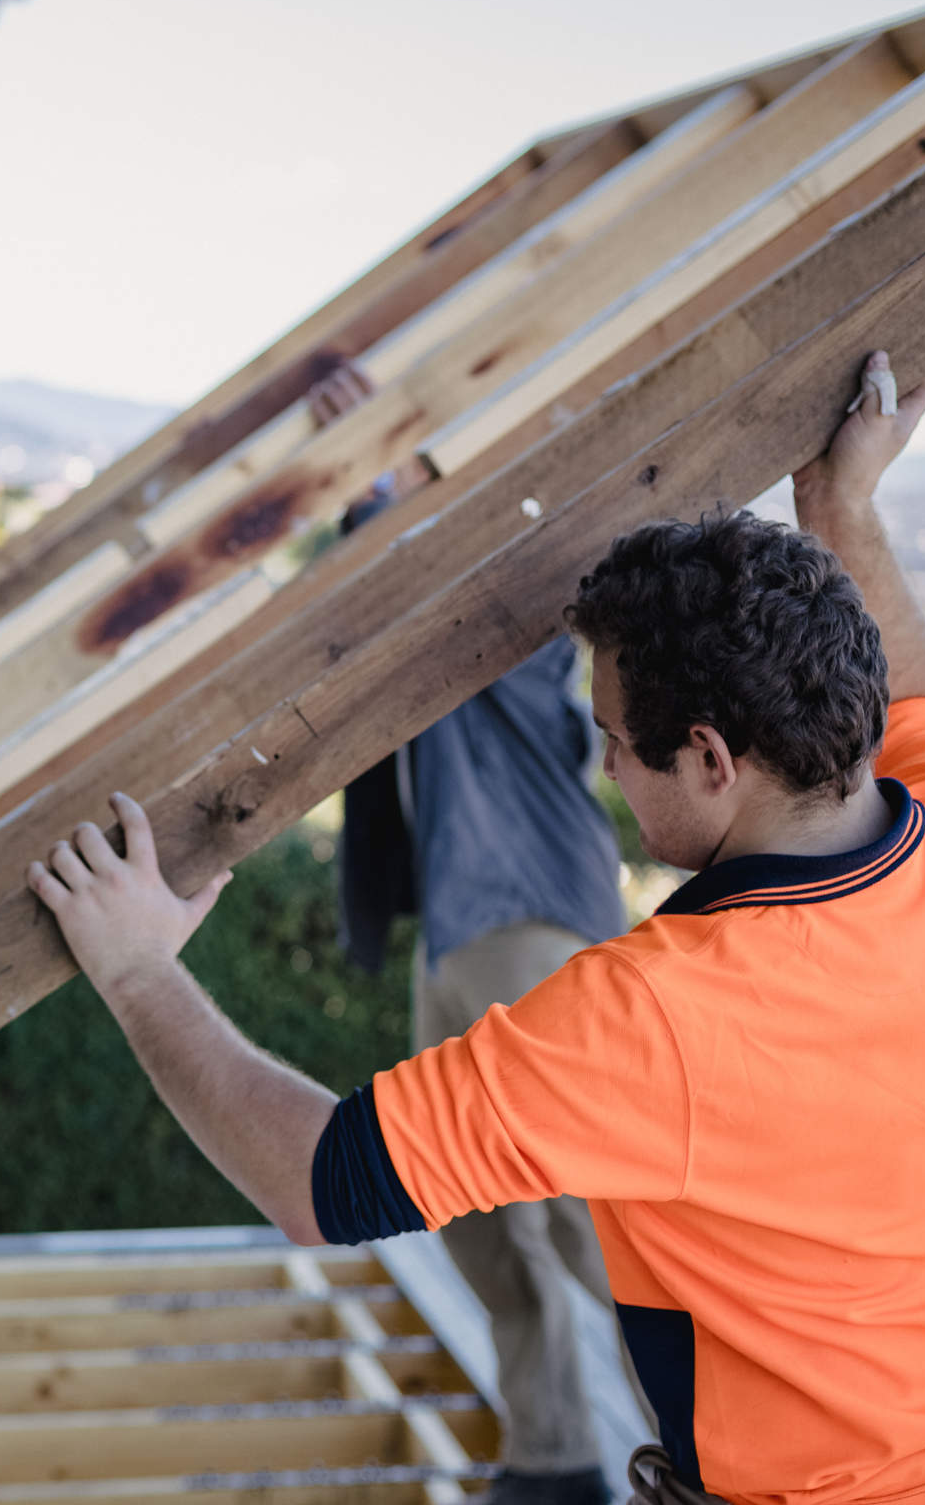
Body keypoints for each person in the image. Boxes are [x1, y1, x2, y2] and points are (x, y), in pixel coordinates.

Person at [26, 352, 925, 1505]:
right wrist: (843, 508)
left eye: (620, 742)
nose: (605, 763)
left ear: (715, 758)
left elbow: (318, 1182)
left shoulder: (655, 1015)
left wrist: (135, 969)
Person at [310, 355, 648, 1505]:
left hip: (531, 922)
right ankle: (553, 1458)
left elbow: (441, 577)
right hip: (453, 927)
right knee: (478, 1217)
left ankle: (719, 1465)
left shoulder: (520, 606)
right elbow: (362, 603)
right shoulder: (418, 618)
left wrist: (393, 477)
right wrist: (371, 491)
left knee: (594, 1228)